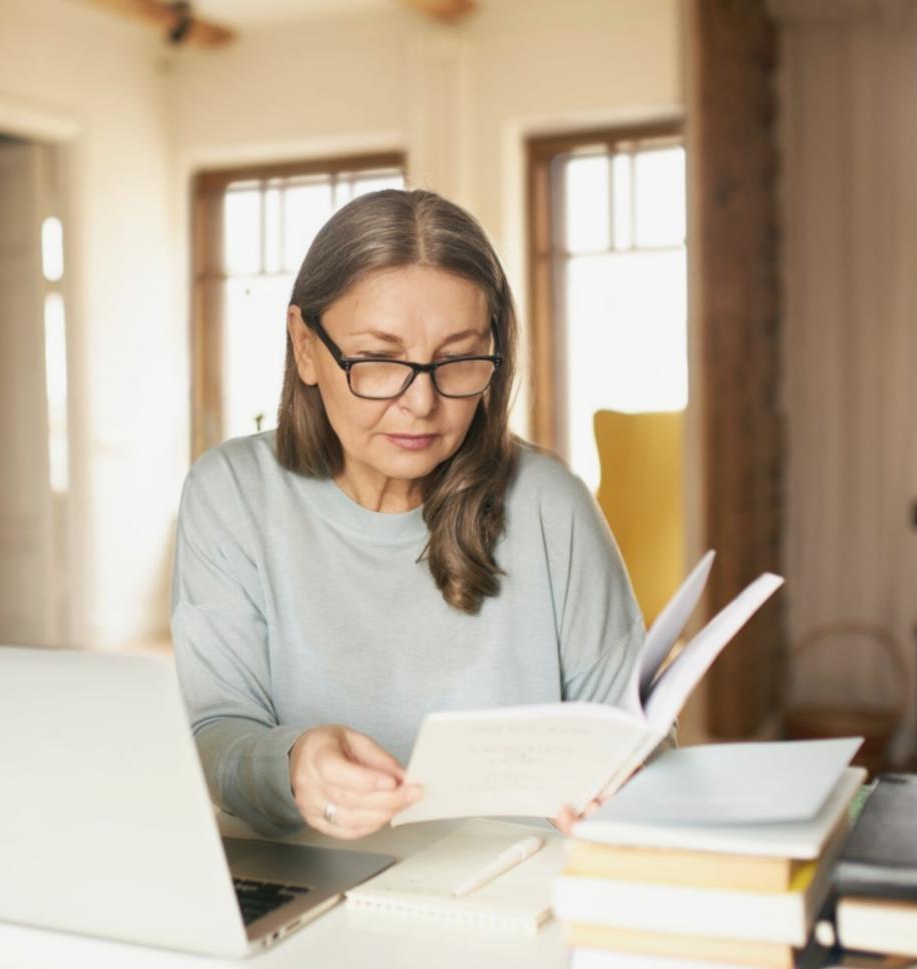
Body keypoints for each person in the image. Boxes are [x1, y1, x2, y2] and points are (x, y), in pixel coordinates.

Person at [172, 188, 645, 840]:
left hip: (518, 887)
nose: (421, 403)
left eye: (457, 359)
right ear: (305, 347)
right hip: (316, 885)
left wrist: (625, 784)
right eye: (379, 360)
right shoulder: (231, 493)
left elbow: (634, 731)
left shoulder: (548, 503)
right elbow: (214, 736)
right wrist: (294, 764)